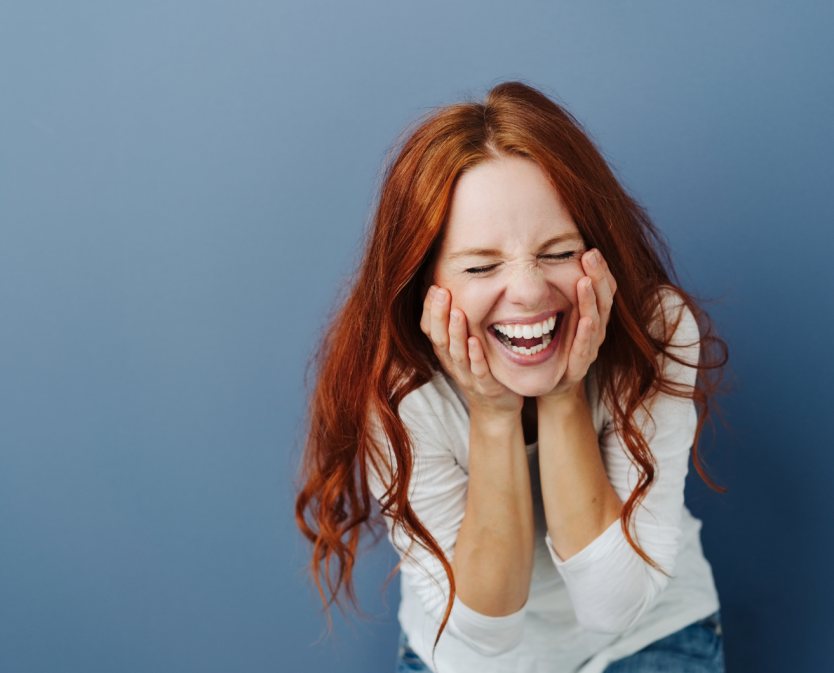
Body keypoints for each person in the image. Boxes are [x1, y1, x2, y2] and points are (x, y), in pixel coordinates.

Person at [296, 82, 728, 673]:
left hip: (649, 636)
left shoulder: (655, 329)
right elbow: (485, 634)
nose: (528, 291)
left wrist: (563, 391)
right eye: (481, 265)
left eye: (557, 252)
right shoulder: (395, 386)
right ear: (426, 283)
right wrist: (495, 414)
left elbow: (613, 606)